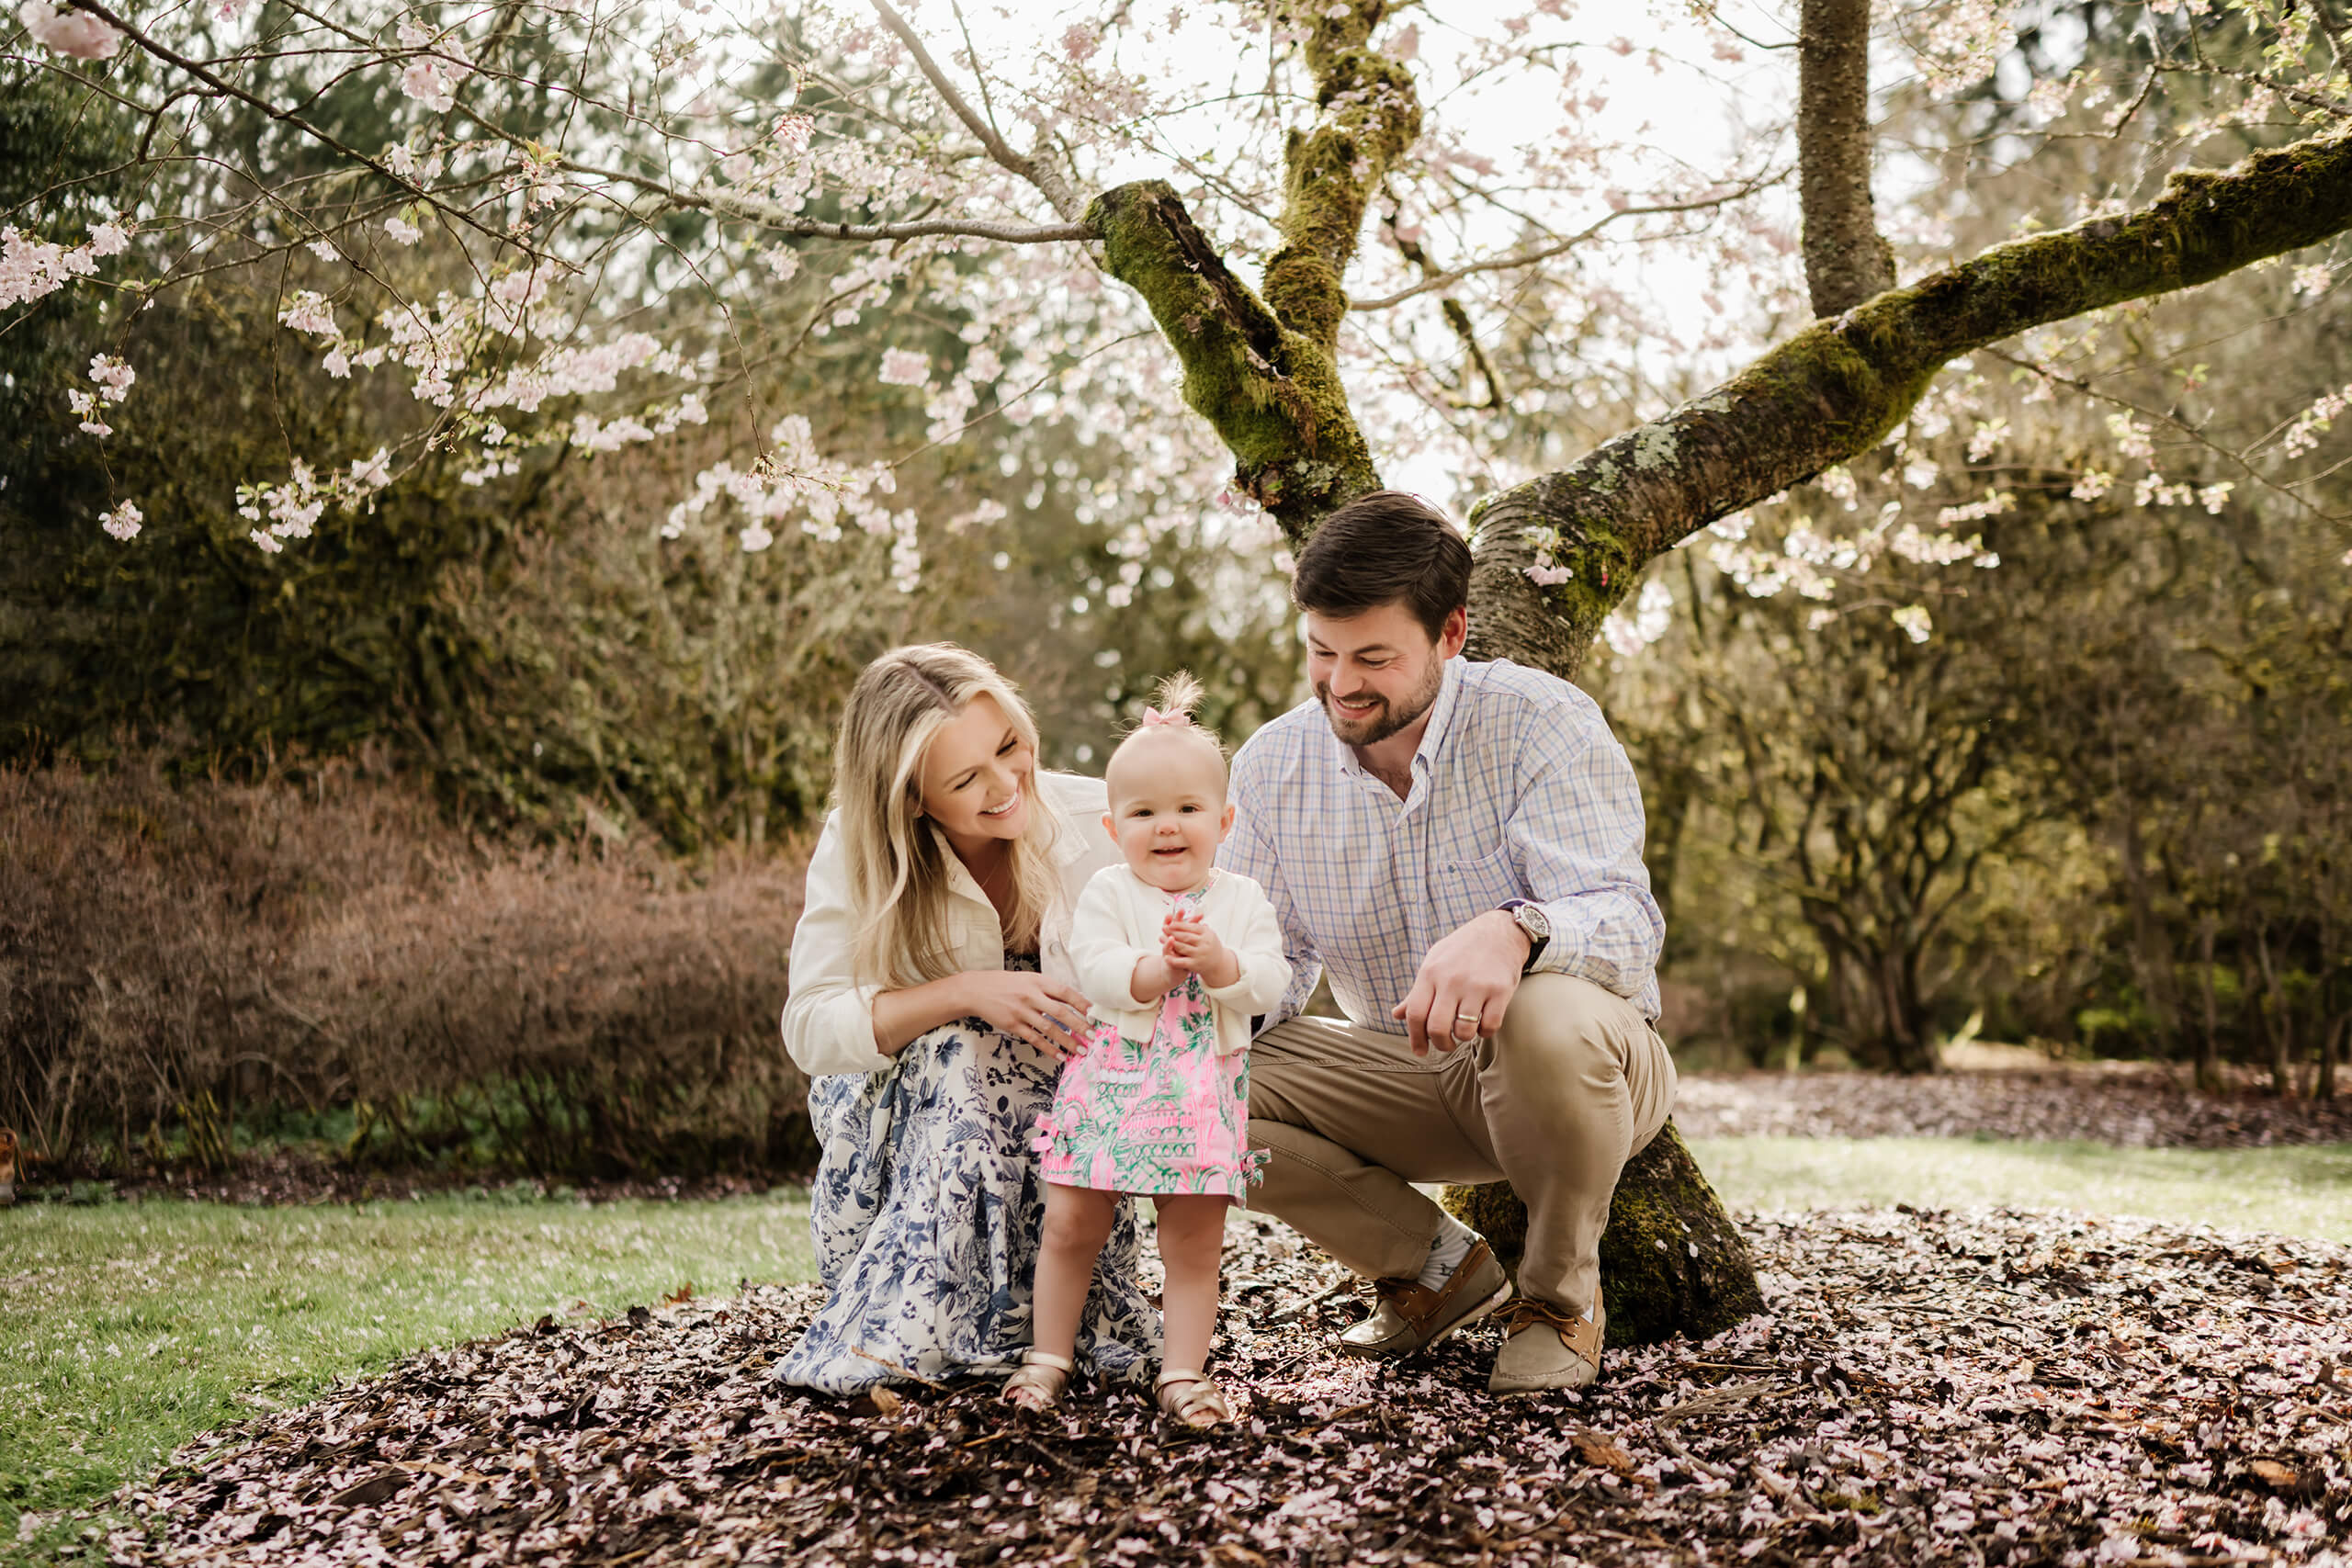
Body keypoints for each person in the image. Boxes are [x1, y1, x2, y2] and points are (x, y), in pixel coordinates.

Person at [1220, 491, 1679, 1396]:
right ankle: (1433, 1272)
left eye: (1374, 658)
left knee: (1542, 1012)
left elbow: (1628, 924)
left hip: (1581, 1068)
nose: (1341, 683)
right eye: (1321, 652)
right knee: (1181, 1077)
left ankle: (1557, 1305)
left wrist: (1516, 931)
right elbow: (1268, 974)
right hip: (1402, 1070)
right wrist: (1177, 989)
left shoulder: (1540, 723)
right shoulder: (1271, 766)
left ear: (1451, 634)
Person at [774, 644, 1160, 1394]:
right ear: (913, 798)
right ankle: (920, 1319)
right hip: (904, 1122)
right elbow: (811, 1026)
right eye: (965, 778)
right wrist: (964, 992)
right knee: (964, 1047)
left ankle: (1052, 1317)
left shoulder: (1099, 818)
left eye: (1010, 746)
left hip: (1064, 1116)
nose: (1008, 783)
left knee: (1014, 1055)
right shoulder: (857, 844)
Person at [1004, 674, 1290, 1426]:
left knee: (1192, 1239)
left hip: (1199, 1095)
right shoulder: (1108, 890)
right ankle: (1047, 1358)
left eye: (1188, 809)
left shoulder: (1242, 900)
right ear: (1112, 826)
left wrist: (1222, 965)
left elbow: (1270, 980)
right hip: (1110, 1083)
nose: (1167, 827)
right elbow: (1092, 965)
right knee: (1071, 1221)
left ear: (1224, 819)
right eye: (1144, 812)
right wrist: (1156, 970)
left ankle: (1185, 1371)